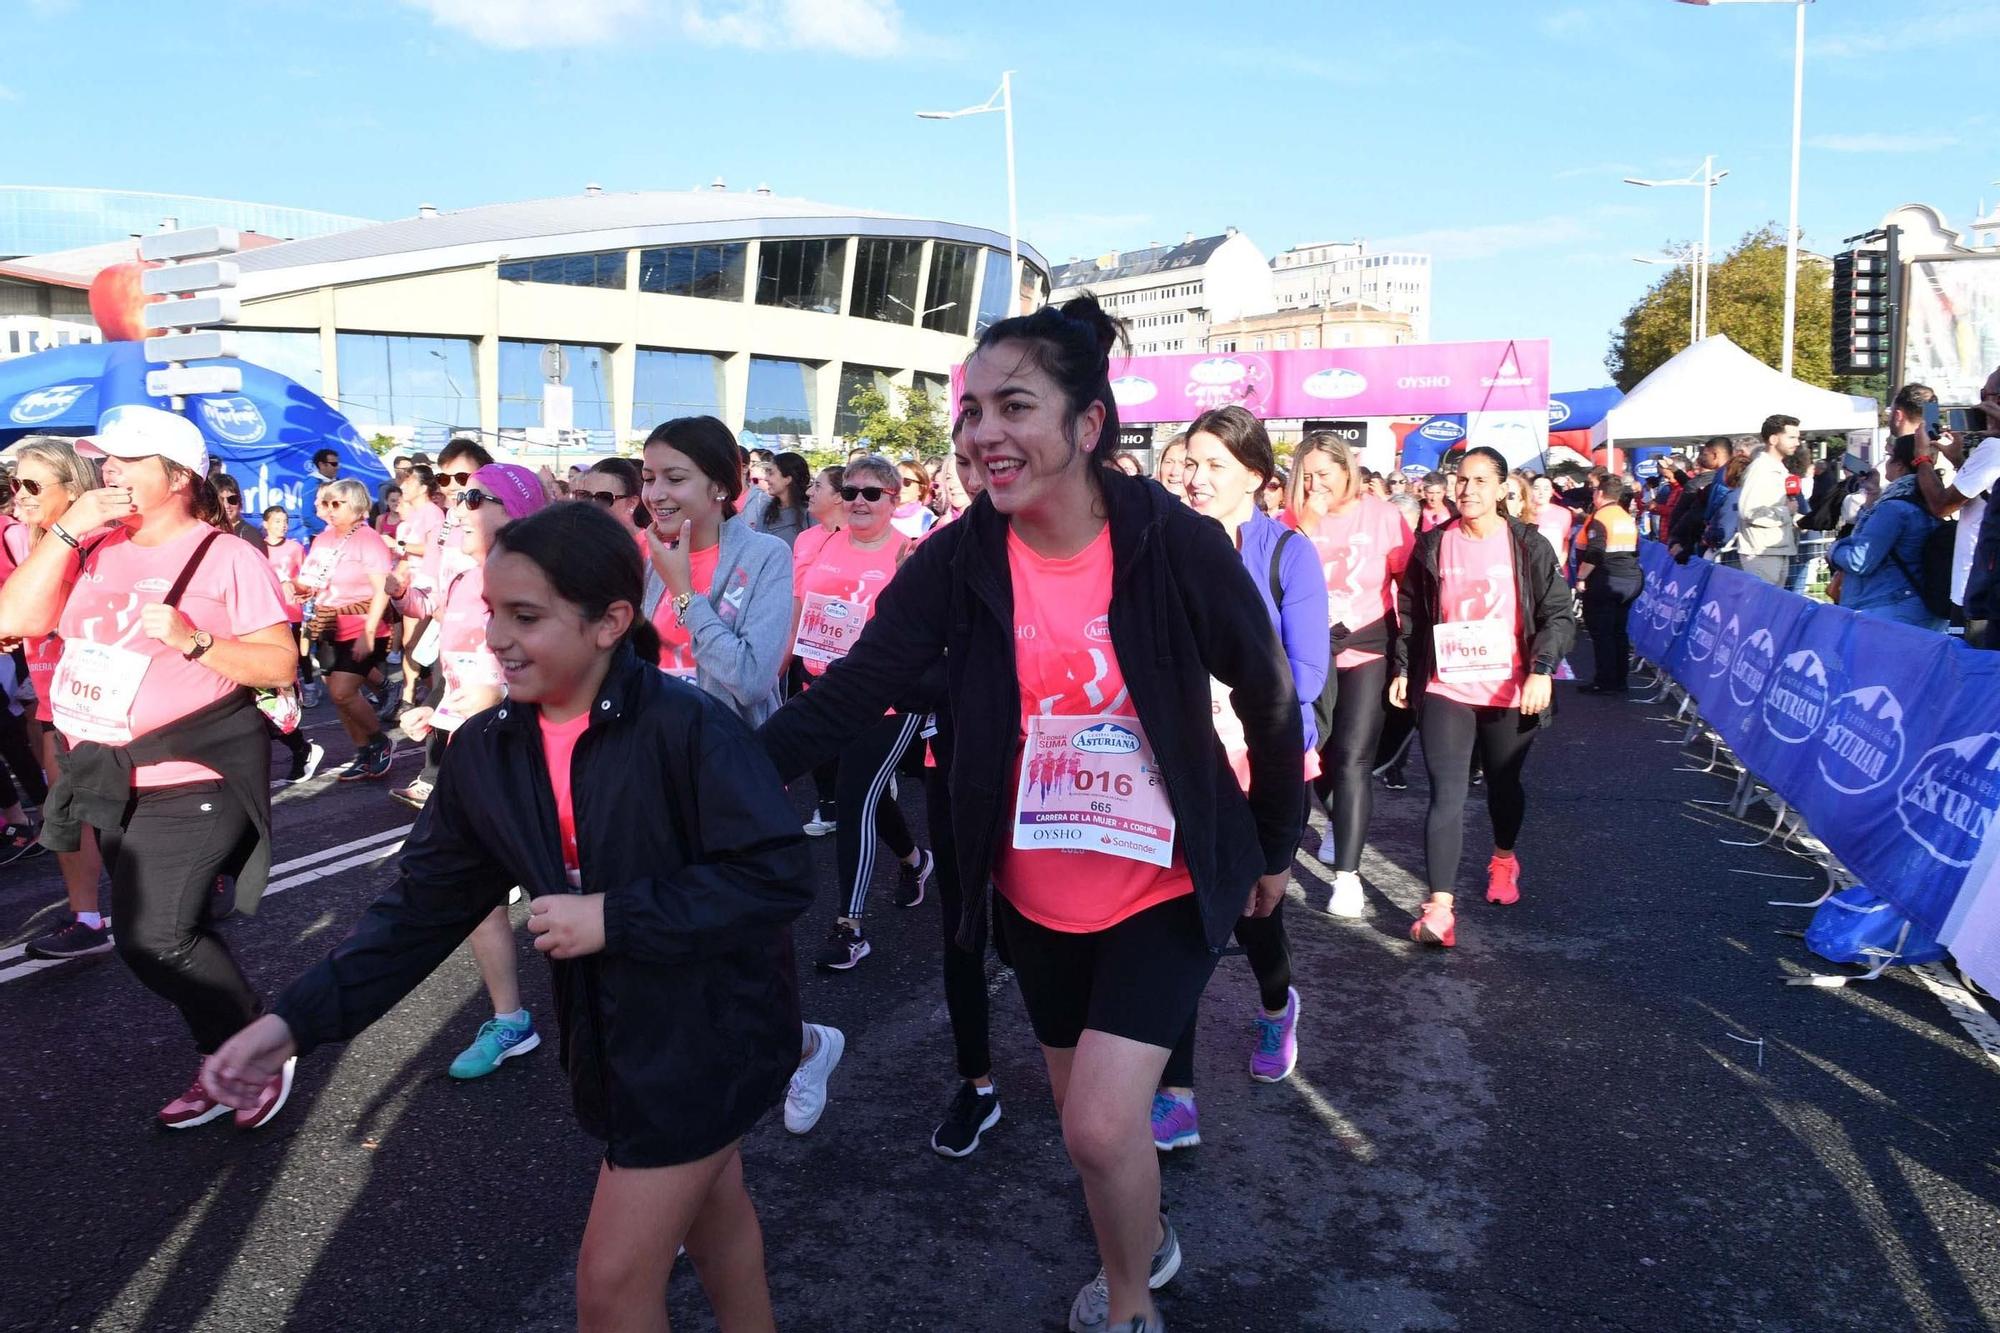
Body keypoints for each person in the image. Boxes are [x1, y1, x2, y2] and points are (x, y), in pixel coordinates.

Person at [759, 295, 1303, 1333]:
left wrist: (1273, 840)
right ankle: (1146, 1241)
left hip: (1165, 877)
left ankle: (1131, 1303)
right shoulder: (959, 558)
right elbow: (847, 691)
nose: (981, 434)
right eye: (969, 411)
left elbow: (1269, 695)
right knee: (1080, 1124)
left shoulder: (1170, 543)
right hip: (1032, 885)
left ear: (1086, 424)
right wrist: (712, 784)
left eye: (1013, 406)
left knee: (1101, 1127)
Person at [202, 503, 813, 1332]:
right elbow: (421, 907)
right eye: (492, 611)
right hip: (611, 1035)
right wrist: (291, 1025)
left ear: (610, 623)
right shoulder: (489, 747)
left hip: (711, 1035)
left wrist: (616, 915)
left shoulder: (689, 726)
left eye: (527, 616)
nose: (497, 636)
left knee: (609, 1288)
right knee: (714, 1208)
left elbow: (777, 872)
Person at [0, 404, 296, 1128]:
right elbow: (16, 618)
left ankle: (257, 1047)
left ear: (179, 476)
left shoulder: (229, 557)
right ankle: (223, 1054)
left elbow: (281, 663)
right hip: (109, 774)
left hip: (195, 772)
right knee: (164, 933)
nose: (111, 471)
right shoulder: (93, 546)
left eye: (129, 461)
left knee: (153, 936)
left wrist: (195, 641)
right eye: (107, 459)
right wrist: (66, 531)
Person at [634, 416, 846, 1138]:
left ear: (721, 486)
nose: (655, 493)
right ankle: (711, 1079)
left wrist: (684, 595)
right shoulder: (643, 555)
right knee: (674, 941)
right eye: (649, 476)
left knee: (747, 942)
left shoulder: (765, 556)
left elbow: (754, 676)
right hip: (652, 774)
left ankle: (807, 1046)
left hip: (729, 775)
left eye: (674, 478)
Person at [1156, 405, 1328, 1152]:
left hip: (1262, 759)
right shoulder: (1156, 545)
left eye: (1214, 466)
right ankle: (1177, 1091)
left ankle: (1274, 1002)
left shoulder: (1287, 552)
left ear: (1256, 477)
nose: (1195, 478)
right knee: (1173, 918)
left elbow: (1309, 673)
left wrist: (1232, 698)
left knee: (1257, 912)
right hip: (1180, 759)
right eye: (1190, 463)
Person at [394, 463, 552, 1070]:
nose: (457, 507)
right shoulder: (463, 576)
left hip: (537, 753)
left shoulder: (547, 582)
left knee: (575, 889)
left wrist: (490, 703)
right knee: (476, 885)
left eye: (474, 498)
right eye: (456, 496)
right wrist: (436, 708)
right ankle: (510, 1019)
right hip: (474, 744)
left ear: (518, 514)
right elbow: (455, 657)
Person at [1389, 446, 1574, 949]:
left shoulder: (1528, 545)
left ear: (1500, 490)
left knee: (1502, 784)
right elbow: (1411, 615)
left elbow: (1559, 614)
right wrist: (1406, 668)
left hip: (1510, 687)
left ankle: (1503, 858)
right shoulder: (1432, 545)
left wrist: (1542, 670)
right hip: (1447, 684)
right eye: (1461, 481)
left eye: (1479, 482)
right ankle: (1440, 909)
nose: (1467, 490)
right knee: (1446, 791)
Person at [786, 452, 932, 971]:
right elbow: (802, 610)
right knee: (864, 795)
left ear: (895, 500)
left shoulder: (912, 553)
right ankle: (916, 861)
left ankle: (849, 926)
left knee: (854, 800)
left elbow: (922, 637)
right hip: (826, 691)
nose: (859, 502)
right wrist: (784, 675)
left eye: (872, 493)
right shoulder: (826, 543)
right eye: (850, 492)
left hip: (888, 701)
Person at [1290, 430, 1414, 910]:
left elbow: (1407, 587)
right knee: (1316, 756)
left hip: (1367, 646)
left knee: (1352, 759)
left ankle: (1347, 877)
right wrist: (1306, 523)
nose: (1316, 484)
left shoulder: (1383, 518)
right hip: (1309, 651)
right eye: (1308, 476)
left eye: (1325, 474)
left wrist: (1406, 659)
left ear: (1348, 470)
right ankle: (1339, 826)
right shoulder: (1295, 519)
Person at [12, 438, 112, 960]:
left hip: (109, 703)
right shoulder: (33, 539)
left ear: (74, 489)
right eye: (15, 483)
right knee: (65, 811)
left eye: (33, 485)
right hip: (57, 699)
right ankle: (88, 919)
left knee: (132, 813)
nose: (20, 494)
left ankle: (200, 878)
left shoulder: (101, 543)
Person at [298, 479, 397, 780]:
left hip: (362, 624)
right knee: (339, 694)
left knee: (342, 691)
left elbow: (384, 589)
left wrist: (368, 632)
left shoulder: (368, 539)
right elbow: (311, 580)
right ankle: (363, 750)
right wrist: (296, 588)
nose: (328, 509)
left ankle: (380, 741)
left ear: (355, 505)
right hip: (328, 624)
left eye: (335, 503)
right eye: (325, 503)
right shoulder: (323, 539)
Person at [1909, 382, 2000, 639]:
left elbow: (1941, 505)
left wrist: (1922, 457)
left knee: (1970, 671)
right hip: (1984, 585)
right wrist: (1959, 461)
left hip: (1977, 586)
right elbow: (1987, 497)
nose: (1978, 405)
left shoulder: (1994, 448)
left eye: (1985, 396)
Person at [1831, 433, 1947, 631]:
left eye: (1889, 456)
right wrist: (1873, 493)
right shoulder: (1930, 499)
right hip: (1919, 606)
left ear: (1899, 465)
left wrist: (1834, 550)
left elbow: (1860, 561)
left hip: (1889, 608)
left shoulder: (1893, 508)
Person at [1575, 474, 1643, 693]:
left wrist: (1581, 577)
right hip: (1630, 580)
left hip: (1607, 581)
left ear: (1600, 494)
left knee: (1602, 632)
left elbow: (1595, 551)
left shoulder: (1601, 517)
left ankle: (1604, 682)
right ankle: (1620, 681)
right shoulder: (1624, 516)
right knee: (1618, 632)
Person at [1737, 414, 1802, 585]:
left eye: (1798, 438)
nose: (1797, 442)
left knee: (1772, 608)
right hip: (1761, 553)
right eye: (1791, 437)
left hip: (1776, 550)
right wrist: (1787, 512)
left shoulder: (1777, 467)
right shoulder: (1760, 470)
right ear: (1773, 439)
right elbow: (1749, 511)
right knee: (1760, 608)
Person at [1667, 438, 1731, 562]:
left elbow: (1703, 512)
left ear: (1715, 454)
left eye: (1705, 454)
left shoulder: (1724, 478)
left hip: (1714, 543)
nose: (1701, 458)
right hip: (1702, 539)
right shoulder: (1717, 478)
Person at [751, 451, 811, 549]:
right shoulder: (767, 509)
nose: (766, 478)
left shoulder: (810, 511)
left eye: (771, 473)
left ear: (787, 479)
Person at [892, 459, 938, 539]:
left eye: (907, 482)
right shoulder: (878, 516)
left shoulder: (929, 521)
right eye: (895, 480)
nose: (899, 486)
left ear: (921, 489)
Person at [301, 447, 340, 539]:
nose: (337, 467)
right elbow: (308, 514)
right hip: (321, 536)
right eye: (334, 464)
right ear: (321, 465)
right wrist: (328, 530)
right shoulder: (311, 483)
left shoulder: (338, 481)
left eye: (337, 464)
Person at [211, 474, 262, 543]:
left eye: (232, 499)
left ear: (239, 500)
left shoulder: (250, 534)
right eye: (221, 500)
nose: (227, 506)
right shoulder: (206, 531)